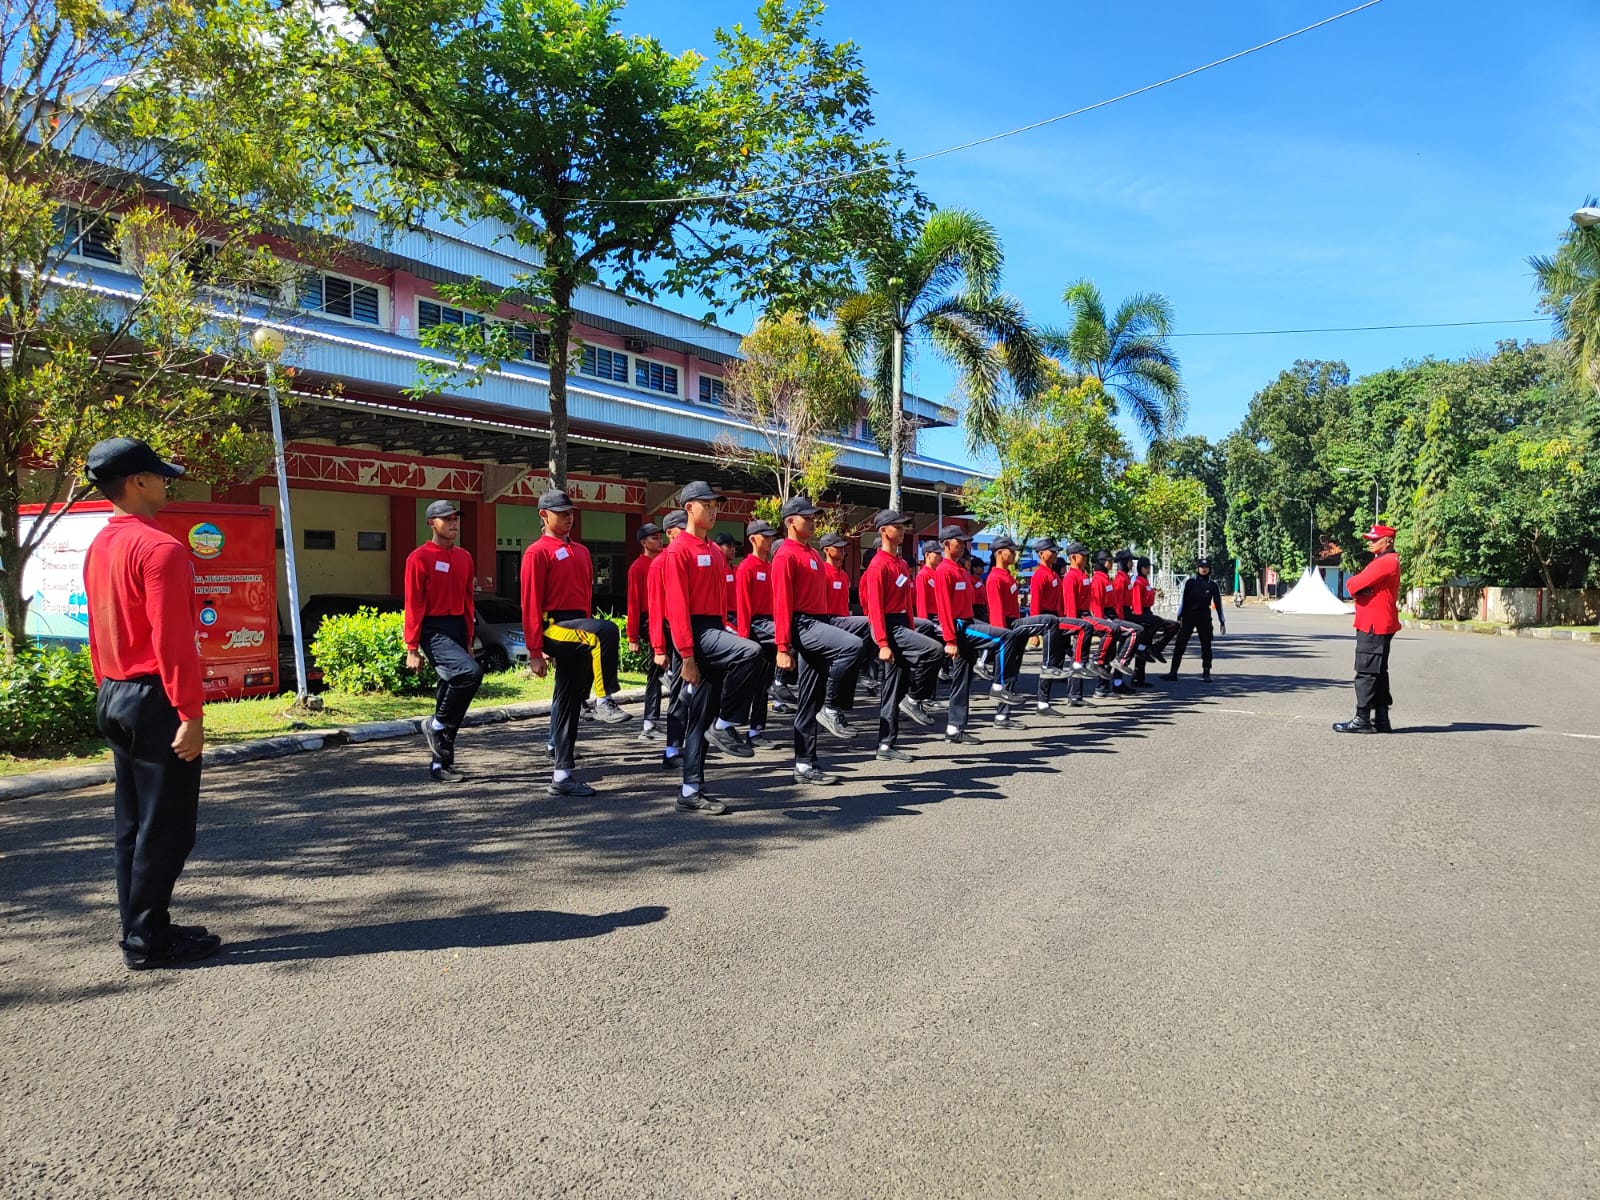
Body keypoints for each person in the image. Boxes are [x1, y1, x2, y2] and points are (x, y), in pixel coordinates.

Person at [81, 437, 222, 969]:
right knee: (167, 829)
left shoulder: (102, 545)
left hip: (115, 691)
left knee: (132, 825)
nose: (167, 482)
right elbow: (174, 640)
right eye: (160, 475)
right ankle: (146, 943)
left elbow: (100, 626)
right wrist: (190, 714)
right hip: (154, 697)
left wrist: (106, 684)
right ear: (137, 482)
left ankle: (145, 925)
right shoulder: (160, 548)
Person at [521, 488, 631, 798]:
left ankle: (562, 775)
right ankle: (603, 700)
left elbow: (584, 597)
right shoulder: (537, 551)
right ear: (544, 515)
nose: (569, 517)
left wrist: (581, 637)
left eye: (571, 512)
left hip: (578, 628)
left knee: (567, 701)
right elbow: (530, 602)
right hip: (554, 626)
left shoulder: (581, 552)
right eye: (562, 513)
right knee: (606, 630)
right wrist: (535, 652)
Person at [661, 482, 762, 812]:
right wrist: (686, 656)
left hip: (714, 630)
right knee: (752, 652)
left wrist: (726, 629)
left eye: (717, 504)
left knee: (699, 718)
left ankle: (690, 791)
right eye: (708, 504)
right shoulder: (678, 551)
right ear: (689, 508)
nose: (715, 509)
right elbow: (676, 607)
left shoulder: (716, 554)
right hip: (695, 634)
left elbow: (719, 603)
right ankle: (726, 724)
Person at [772, 495, 870, 784]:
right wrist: (782, 646)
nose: (813, 521)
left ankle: (805, 765)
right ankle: (832, 707)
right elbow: (780, 603)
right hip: (803, 624)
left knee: (868, 626)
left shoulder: (813, 555)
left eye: (814, 517)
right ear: (791, 522)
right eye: (808, 517)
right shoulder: (785, 555)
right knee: (851, 646)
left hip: (822, 620)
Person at [403, 499, 484, 783]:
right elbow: (413, 604)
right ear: (431, 523)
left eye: (455, 518)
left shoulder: (464, 557)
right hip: (433, 629)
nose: (453, 523)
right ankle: (436, 726)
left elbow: (468, 600)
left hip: (458, 629)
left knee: (447, 693)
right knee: (470, 675)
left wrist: (470, 641)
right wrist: (412, 647)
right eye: (447, 519)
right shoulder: (419, 558)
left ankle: (441, 766)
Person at [858, 510, 942, 760]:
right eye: (898, 526)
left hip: (902, 624)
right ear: (884, 531)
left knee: (892, 688)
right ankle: (915, 698)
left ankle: (885, 745)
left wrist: (911, 629)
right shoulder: (878, 566)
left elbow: (906, 600)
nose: (903, 530)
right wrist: (882, 643)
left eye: (904, 526)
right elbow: (873, 607)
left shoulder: (902, 564)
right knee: (934, 650)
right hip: (888, 626)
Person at [1334, 523, 1401, 734]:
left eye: (1375, 539)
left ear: (1388, 541)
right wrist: (1362, 587)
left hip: (1374, 623)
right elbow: (1357, 585)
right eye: (1370, 539)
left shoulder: (1385, 562)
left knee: (1366, 671)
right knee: (1379, 672)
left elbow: (1352, 585)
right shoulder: (1383, 561)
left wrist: (1361, 587)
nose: (1370, 542)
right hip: (1379, 621)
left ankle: (1362, 718)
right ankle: (1381, 719)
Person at [981, 536, 1048, 721]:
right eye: (1011, 550)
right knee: (1006, 672)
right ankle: (1001, 716)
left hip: (1014, 627)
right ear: (999, 553)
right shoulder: (994, 578)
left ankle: (1005, 715)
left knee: (1013, 672)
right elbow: (996, 612)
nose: (1014, 554)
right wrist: (1003, 636)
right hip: (1006, 630)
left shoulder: (1008, 576)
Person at [735, 518, 782, 747]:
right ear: (753, 539)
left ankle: (756, 731)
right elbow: (743, 605)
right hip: (756, 626)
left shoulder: (771, 568)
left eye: (771, 536)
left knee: (763, 684)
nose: (770, 540)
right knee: (747, 683)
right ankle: (728, 724)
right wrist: (743, 638)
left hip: (771, 626)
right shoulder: (746, 567)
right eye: (766, 536)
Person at [647, 510, 689, 767]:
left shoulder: (690, 557)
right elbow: (655, 608)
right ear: (671, 532)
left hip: (692, 633)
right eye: (682, 528)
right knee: (678, 695)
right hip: (671, 634)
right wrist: (659, 647)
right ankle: (672, 750)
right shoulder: (660, 563)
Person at [626, 521, 664, 743]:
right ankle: (649, 723)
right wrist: (632, 636)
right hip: (648, 621)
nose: (660, 540)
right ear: (643, 542)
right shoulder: (637, 568)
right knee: (656, 672)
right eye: (654, 537)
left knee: (659, 671)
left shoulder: (665, 561)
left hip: (665, 620)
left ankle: (652, 722)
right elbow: (633, 602)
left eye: (660, 536)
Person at [1166, 556, 1225, 681]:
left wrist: (1222, 621)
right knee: (1180, 643)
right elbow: (1184, 601)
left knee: (1206, 645)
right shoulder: (1190, 582)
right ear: (1197, 568)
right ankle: (1173, 672)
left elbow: (1218, 604)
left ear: (1210, 569)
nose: (1204, 569)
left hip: (1204, 617)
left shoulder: (1212, 585)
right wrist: (1179, 617)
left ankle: (1206, 671)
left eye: (1206, 567)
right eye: (1201, 567)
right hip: (1189, 616)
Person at [1128, 557, 1177, 685]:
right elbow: (1137, 601)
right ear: (1141, 568)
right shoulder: (1138, 581)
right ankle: (1137, 677)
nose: (1148, 569)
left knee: (1144, 649)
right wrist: (1140, 619)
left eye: (1149, 567)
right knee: (1142, 648)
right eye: (1146, 567)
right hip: (1142, 614)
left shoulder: (1146, 581)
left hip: (1148, 612)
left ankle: (1156, 648)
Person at [713, 532, 739, 626]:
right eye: (728, 546)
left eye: (734, 547)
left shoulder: (738, 570)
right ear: (718, 547)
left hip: (739, 615)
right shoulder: (716, 570)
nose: (733, 549)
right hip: (725, 616)